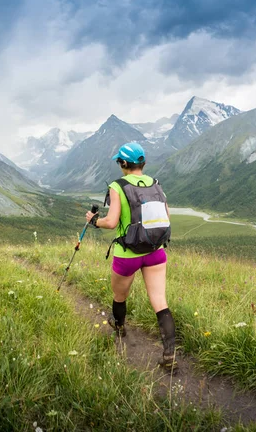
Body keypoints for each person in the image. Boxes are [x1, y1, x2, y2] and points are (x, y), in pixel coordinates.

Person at [85, 142, 177, 370]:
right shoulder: (155, 183)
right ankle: (170, 356)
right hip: (155, 252)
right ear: (142, 163)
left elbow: (112, 221)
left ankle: (119, 328)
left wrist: (93, 220)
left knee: (119, 295)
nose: (119, 164)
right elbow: (166, 216)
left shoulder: (118, 186)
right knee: (160, 302)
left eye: (119, 161)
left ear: (124, 163)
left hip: (127, 254)